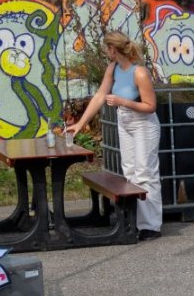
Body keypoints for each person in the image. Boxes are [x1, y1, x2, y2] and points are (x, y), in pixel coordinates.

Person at [66, 30, 163, 241]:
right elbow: (100, 95)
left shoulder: (140, 73)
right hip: (124, 120)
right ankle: (134, 220)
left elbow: (150, 106)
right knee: (129, 171)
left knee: (145, 172)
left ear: (113, 49)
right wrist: (80, 123)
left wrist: (123, 102)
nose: (105, 53)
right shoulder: (113, 68)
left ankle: (150, 225)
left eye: (107, 49)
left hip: (143, 123)